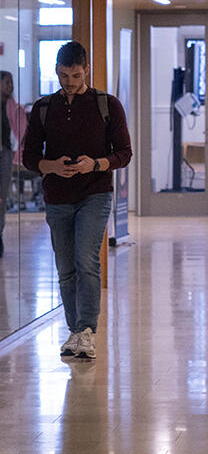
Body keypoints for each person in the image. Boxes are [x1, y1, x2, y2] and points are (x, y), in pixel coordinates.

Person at [22, 41, 132, 359]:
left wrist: (93, 164)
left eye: (74, 74)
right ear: (56, 71)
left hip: (95, 193)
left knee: (86, 260)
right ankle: (74, 332)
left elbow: (124, 154)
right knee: (65, 267)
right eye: (63, 74)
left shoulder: (107, 104)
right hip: (57, 196)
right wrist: (52, 166)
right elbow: (30, 158)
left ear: (87, 70)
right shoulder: (43, 109)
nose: (69, 81)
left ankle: (86, 331)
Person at [0, 71, 26, 257]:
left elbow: (20, 132)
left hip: (5, 154)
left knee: (2, 197)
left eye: (12, 83)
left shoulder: (13, 107)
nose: (11, 86)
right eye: (7, 83)